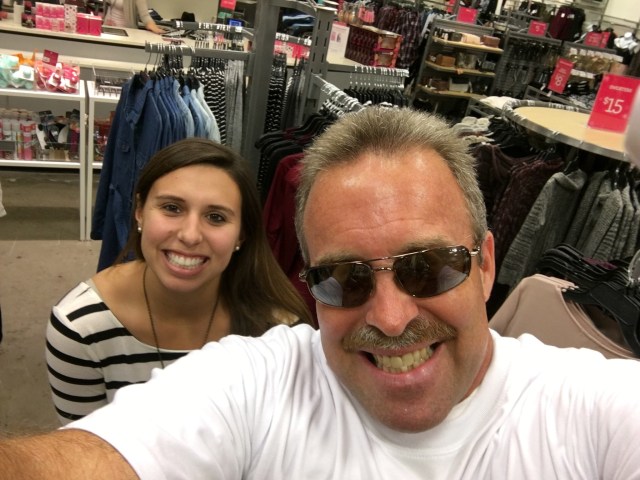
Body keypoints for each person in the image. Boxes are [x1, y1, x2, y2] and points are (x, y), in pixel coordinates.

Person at [2, 106, 640, 478]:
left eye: (428, 267)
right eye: (345, 279)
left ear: (485, 265)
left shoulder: (596, 408)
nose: (391, 317)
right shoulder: (258, 376)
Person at [45, 137, 312, 424]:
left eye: (216, 217)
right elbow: (83, 447)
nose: (190, 235)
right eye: (172, 208)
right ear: (139, 212)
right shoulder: (81, 326)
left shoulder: (279, 326)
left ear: (241, 235)